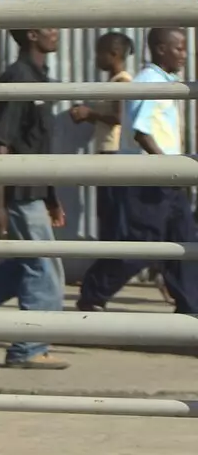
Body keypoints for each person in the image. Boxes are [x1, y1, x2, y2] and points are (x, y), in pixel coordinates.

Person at [0, 28, 68, 370]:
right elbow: (0, 143)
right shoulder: (18, 78)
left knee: (22, 269)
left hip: (35, 191)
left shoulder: (39, 79)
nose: (57, 33)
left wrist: (51, 196)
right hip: (19, 194)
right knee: (44, 270)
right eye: (49, 28)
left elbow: (37, 144)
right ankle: (28, 347)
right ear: (31, 35)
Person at [78, 28, 198, 314]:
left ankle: (190, 307)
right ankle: (93, 294)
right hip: (151, 176)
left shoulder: (165, 82)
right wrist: (166, 166)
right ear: (160, 49)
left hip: (168, 175)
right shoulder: (149, 82)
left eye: (184, 48)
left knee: (185, 243)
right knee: (140, 244)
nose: (184, 54)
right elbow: (142, 132)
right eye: (178, 48)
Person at [69, 31, 132, 248]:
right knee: (106, 212)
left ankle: (110, 264)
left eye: (99, 53)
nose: (95, 58)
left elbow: (119, 117)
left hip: (113, 154)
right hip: (107, 153)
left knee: (112, 213)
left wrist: (90, 114)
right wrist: (86, 116)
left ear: (113, 54)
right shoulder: (114, 81)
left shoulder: (122, 81)